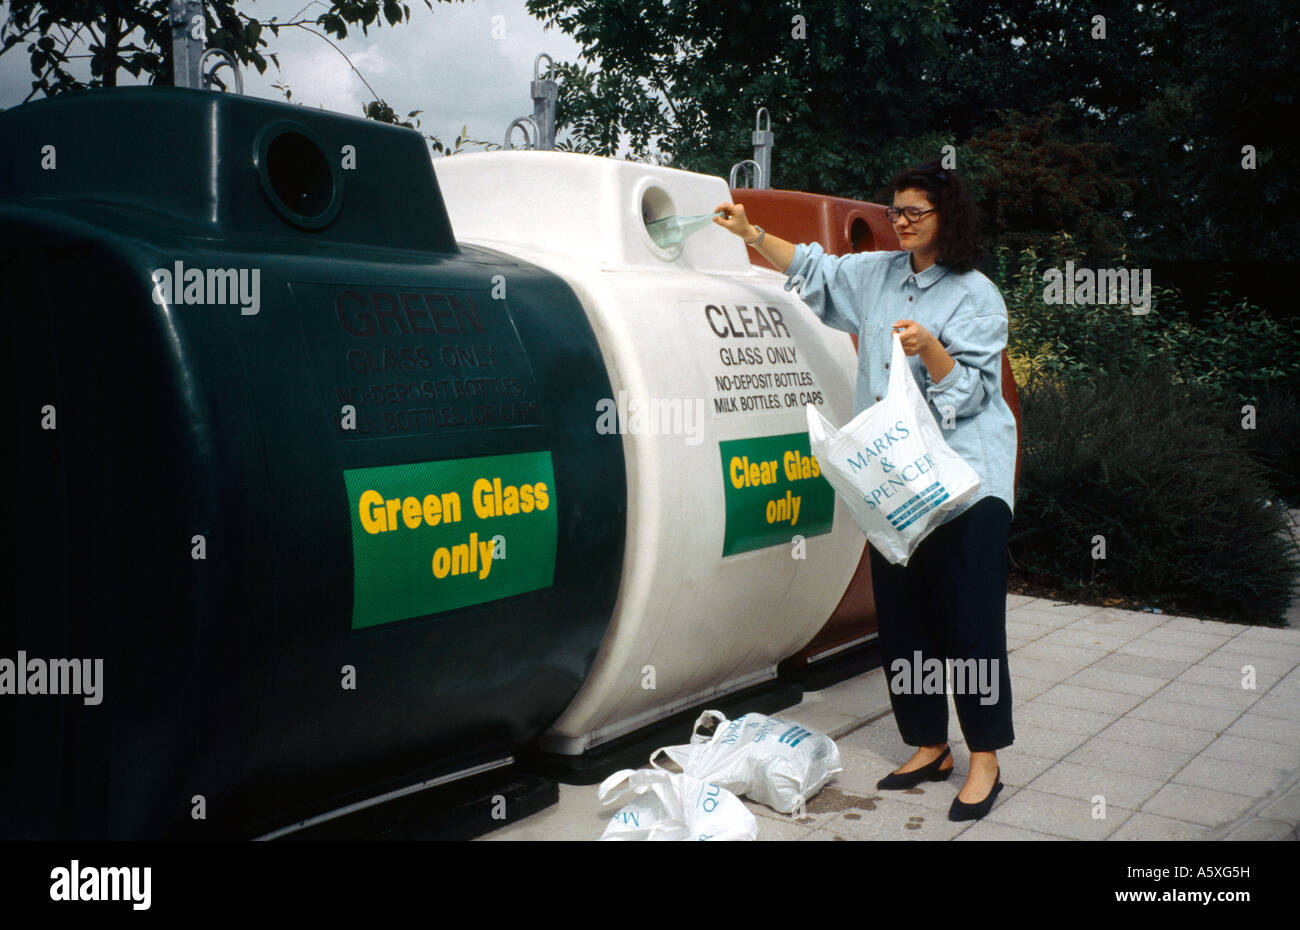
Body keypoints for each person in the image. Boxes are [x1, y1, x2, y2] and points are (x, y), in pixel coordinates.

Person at [713, 162, 1018, 821]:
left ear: (949, 219)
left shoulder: (977, 296)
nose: (901, 220)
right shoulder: (879, 275)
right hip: (893, 481)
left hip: (965, 481)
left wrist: (932, 348)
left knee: (969, 625)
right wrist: (753, 232)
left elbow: (969, 395)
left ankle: (985, 760)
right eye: (896, 209)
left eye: (917, 212)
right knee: (905, 619)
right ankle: (930, 744)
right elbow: (815, 270)